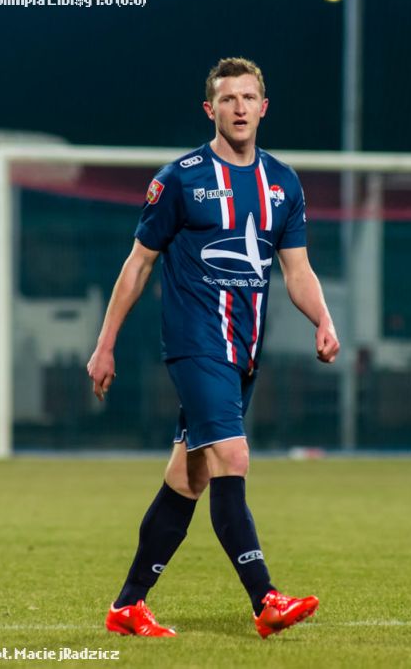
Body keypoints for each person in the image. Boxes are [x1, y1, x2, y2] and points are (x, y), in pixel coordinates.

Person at [87, 57, 340, 637]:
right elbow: (138, 264)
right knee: (234, 458)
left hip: (243, 352)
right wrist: (106, 345)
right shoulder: (180, 178)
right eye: (228, 99)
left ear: (264, 108)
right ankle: (265, 599)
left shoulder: (283, 183)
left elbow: (297, 270)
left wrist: (323, 319)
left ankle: (127, 605)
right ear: (211, 109)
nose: (240, 108)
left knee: (189, 476)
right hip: (196, 345)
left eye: (249, 98)